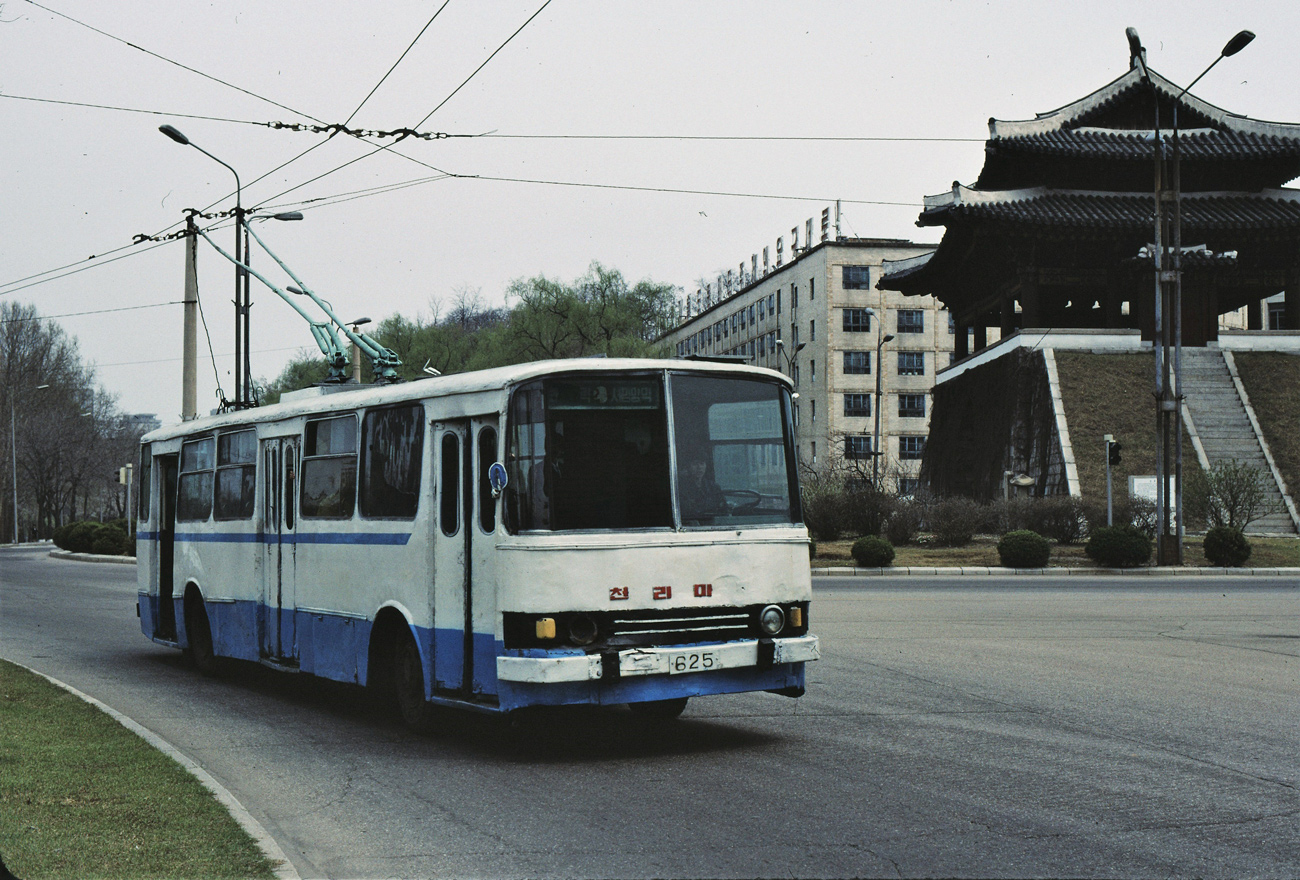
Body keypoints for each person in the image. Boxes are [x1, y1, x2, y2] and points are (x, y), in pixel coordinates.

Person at [678, 454, 725, 522]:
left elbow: (723, 508)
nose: (699, 467)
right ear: (688, 467)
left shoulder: (714, 487)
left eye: (702, 463)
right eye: (695, 464)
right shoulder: (680, 488)